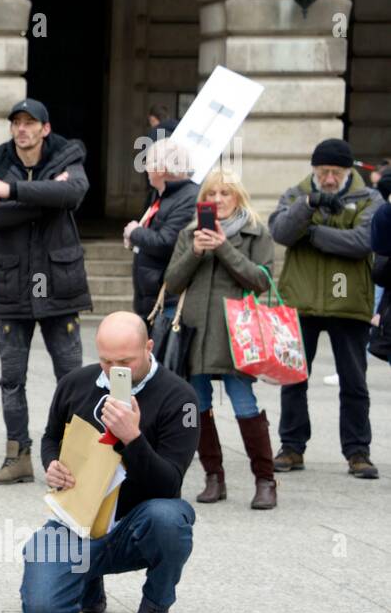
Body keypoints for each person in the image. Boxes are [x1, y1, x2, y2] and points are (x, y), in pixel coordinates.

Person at [21, 312, 199, 613]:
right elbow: (51, 437)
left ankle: (156, 600)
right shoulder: (75, 383)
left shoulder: (180, 397)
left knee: (170, 518)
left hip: (138, 523)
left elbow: (170, 482)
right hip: (80, 519)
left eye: (125, 361)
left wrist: (133, 438)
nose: (115, 370)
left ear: (149, 347)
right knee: (43, 611)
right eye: (106, 361)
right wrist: (52, 464)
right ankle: (88, 577)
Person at [0, 98, 91, 485]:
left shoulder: (67, 156)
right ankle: (17, 456)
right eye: (16, 123)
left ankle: (75, 457)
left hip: (60, 283)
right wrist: (44, 198)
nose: (22, 129)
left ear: (45, 128)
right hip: (13, 285)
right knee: (11, 379)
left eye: (30, 123)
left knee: (72, 377)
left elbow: (73, 194)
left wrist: (13, 191)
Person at [269, 138, 385, 480]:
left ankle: (358, 452)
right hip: (300, 300)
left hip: (347, 300)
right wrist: (308, 206)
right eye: (323, 172)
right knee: (293, 379)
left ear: (348, 171)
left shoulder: (369, 199)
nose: (330, 178)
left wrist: (313, 233)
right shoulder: (296, 194)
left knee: (354, 381)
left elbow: (362, 242)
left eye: (335, 172)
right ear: (315, 171)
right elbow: (281, 232)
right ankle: (291, 447)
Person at [162, 169, 277, 508]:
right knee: (198, 406)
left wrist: (224, 248)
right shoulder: (190, 233)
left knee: (245, 405)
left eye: (225, 194)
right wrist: (195, 252)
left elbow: (261, 280)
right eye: (211, 194)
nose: (217, 200)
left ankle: (265, 481)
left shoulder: (256, 233)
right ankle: (214, 477)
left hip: (237, 335)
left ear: (238, 197)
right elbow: (172, 282)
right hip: (194, 332)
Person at [125, 137, 198, 320]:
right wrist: (135, 239)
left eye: (148, 163)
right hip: (152, 296)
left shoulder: (188, 198)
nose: (146, 170)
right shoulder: (162, 195)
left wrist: (135, 233)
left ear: (161, 168)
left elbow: (166, 242)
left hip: (168, 299)